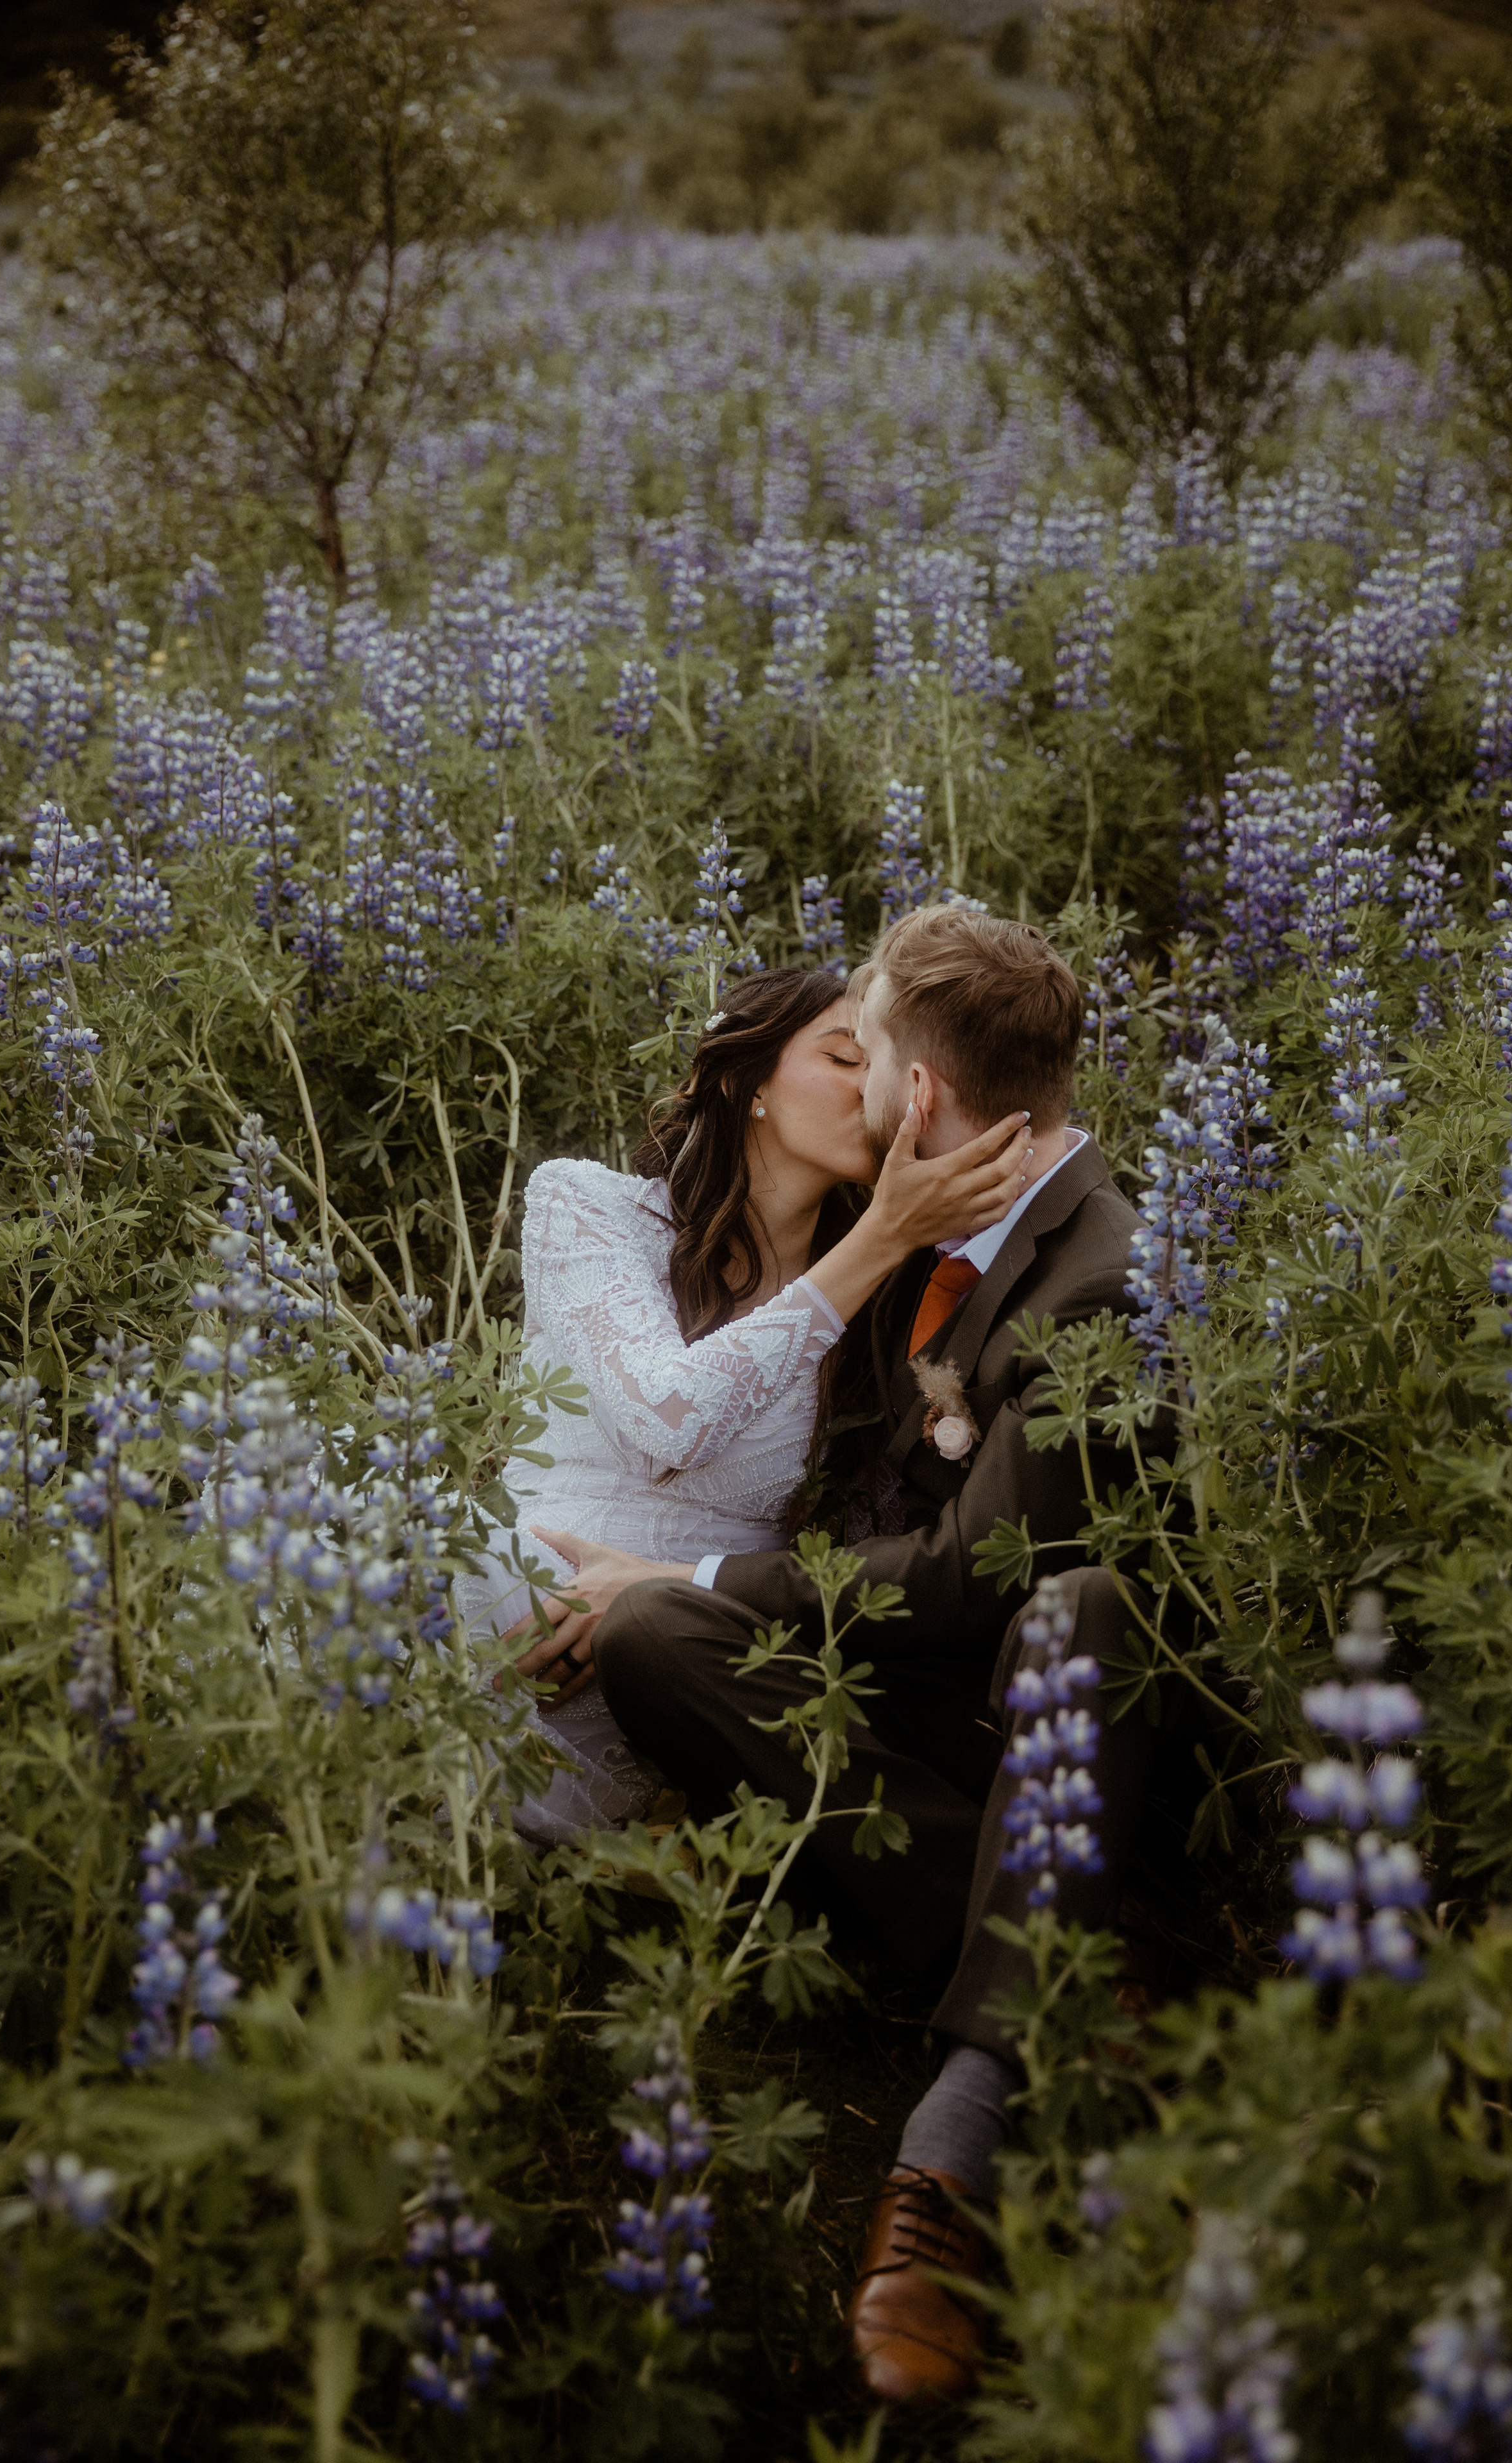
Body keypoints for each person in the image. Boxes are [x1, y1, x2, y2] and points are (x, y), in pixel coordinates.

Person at [523, 906, 1152, 2406]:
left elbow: (960, 1578)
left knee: (1082, 1613)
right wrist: (673, 1585)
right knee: (657, 1634)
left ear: (915, 1098)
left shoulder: (1103, 1269)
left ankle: (965, 2114)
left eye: (870, 1053)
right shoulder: (888, 1251)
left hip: (1025, 1701)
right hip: (873, 1689)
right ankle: (1046, 1961)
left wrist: (681, 1563)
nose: (860, 1080)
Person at [455, 963, 1034, 1844]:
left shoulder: (885, 1311)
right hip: (506, 1612)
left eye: (883, 1070)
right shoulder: (589, 1209)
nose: (871, 1087)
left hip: (672, 1679)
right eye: (845, 1057)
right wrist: (882, 1235)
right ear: (744, 1080)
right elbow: (664, 1423)